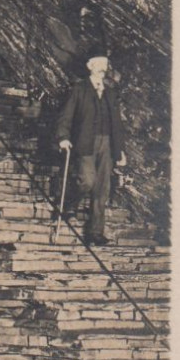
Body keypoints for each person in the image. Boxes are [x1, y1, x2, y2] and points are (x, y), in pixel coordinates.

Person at [56, 51, 127, 246]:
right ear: (91, 66)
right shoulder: (79, 89)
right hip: (85, 142)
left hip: (108, 143)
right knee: (87, 181)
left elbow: (117, 124)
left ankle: (96, 232)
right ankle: (68, 205)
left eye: (105, 65)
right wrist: (63, 137)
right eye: (99, 64)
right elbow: (66, 116)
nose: (103, 68)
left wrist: (120, 150)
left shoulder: (111, 93)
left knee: (102, 189)